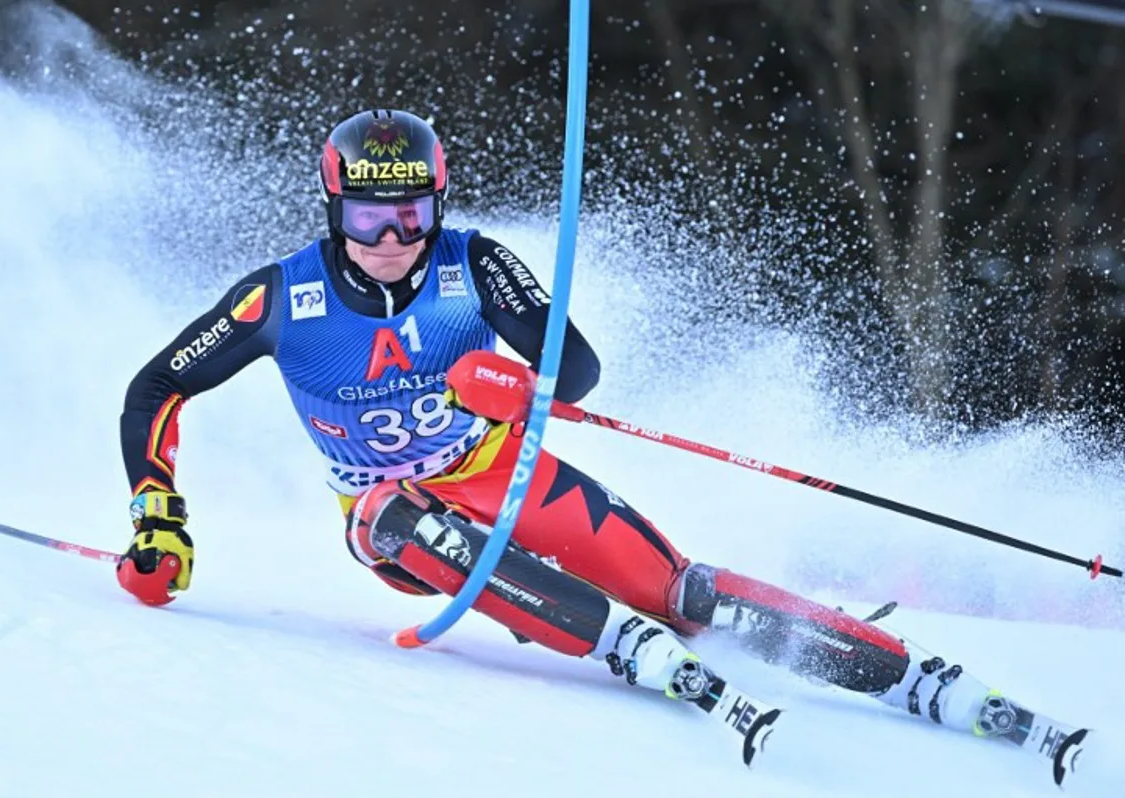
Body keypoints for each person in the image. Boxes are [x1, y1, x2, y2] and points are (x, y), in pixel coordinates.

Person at [116, 109, 1083, 770]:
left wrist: (512, 384)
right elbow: (158, 385)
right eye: (370, 213)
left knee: (683, 592)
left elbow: (575, 374)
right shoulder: (281, 294)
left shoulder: (475, 263)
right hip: (394, 515)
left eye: (411, 211)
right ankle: (624, 647)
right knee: (390, 515)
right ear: (335, 206)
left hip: (501, 469)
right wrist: (157, 510)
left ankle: (905, 672)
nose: (392, 235)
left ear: (437, 202)